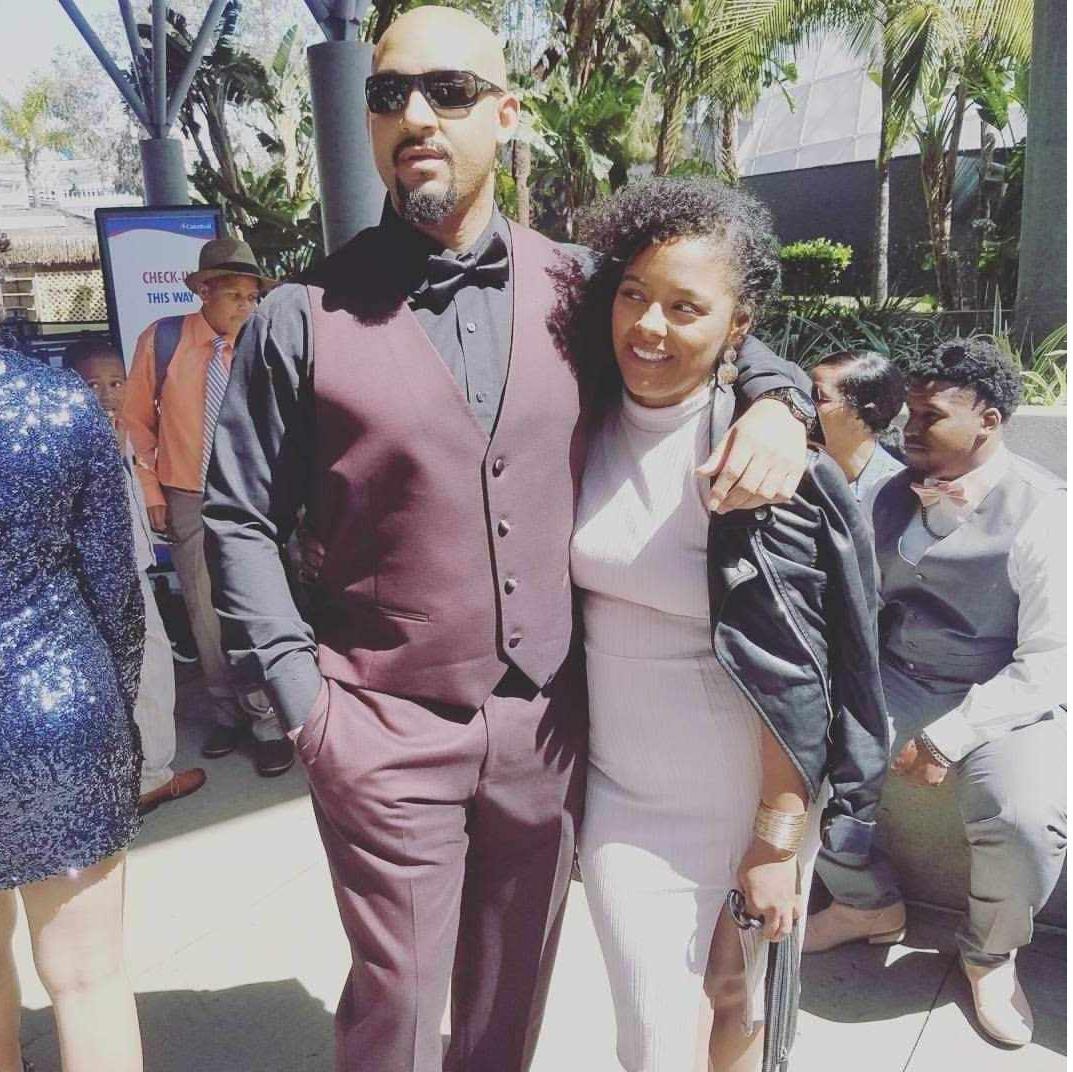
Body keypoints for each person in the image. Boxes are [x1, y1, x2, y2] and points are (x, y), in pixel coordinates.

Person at [203, 9, 819, 1070]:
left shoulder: (585, 287)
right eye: (389, 95)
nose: (416, 116)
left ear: (505, 113)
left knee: (510, 994)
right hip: (381, 719)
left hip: (548, 731)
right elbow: (236, 515)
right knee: (396, 1002)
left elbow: (703, 324)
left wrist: (778, 398)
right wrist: (306, 705)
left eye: (447, 91)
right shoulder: (298, 316)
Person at [569, 178, 889, 1071]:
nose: (649, 326)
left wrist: (776, 840)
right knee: (648, 1035)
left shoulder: (756, 460)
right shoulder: (578, 415)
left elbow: (797, 669)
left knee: (735, 996)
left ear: (737, 324)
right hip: (620, 795)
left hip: (746, 791)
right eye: (633, 294)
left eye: (685, 307)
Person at [805, 338, 1067, 1049]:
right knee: (799, 758)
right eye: (909, 414)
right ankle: (865, 904)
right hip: (896, 676)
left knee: (1024, 818)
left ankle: (990, 953)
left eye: (930, 416)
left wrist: (949, 738)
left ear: (988, 420)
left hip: (1003, 693)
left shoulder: (1044, 511)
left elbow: (1051, 661)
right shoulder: (888, 490)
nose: (908, 428)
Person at [0, 348, 145, 1072]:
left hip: (59, 704)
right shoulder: (60, 402)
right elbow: (113, 584)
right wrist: (120, 711)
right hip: (59, 703)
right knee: (89, 977)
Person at [122, 238, 293, 778]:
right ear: (205, 292)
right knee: (203, 610)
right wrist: (152, 493)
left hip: (256, 497)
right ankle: (226, 713)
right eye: (236, 295)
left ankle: (267, 720)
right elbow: (135, 422)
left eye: (252, 296)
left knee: (259, 606)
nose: (247, 305)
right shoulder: (164, 340)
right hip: (189, 496)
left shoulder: (265, 341)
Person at [65, 339, 207, 815]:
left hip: (127, 568)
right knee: (148, 669)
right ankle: (151, 778)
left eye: (116, 382)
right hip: (111, 577)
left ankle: (123, 777)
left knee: (139, 671)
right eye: (92, 384)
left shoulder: (120, 431)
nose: (107, 394)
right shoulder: (78, 441)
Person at [810, 349, 906, 505]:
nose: (802, 403)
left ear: (864, 414)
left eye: (817, 396)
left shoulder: (895, 498)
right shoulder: (792, 464)